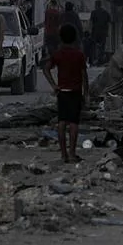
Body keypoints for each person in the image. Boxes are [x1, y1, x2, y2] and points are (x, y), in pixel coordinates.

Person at [45, 22, 89, 163]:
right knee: (74, 123)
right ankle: (72, 153)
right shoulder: (79, 55)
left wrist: (54, 85)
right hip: (75, 92)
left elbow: (46, 69)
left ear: (61, 38)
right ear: (75, 38)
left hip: (62, 92)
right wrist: (86, 94)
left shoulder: (58, 54)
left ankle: (63, 155)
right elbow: (84, 76)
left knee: (62, 122)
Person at [89, 0, 112, 65]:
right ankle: (100, 60)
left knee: (94, 47)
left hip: (95, 33)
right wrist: (108, 33)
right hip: (103, 33)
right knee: (102, 47)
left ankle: (95, 60)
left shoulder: (93, 12)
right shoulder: (106, 12)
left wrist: (90, 32)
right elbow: (109, 23)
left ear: (96, 5)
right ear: (101, 5)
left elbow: (91, 23)